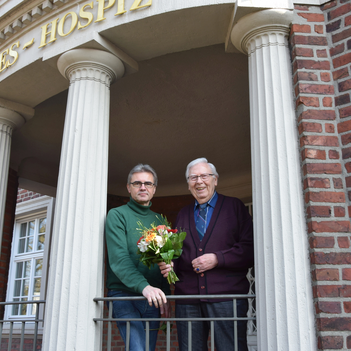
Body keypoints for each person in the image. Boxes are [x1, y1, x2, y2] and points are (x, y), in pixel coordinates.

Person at [159, 157, 254, 351]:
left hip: (228, 298)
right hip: (188, 300)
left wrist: (218, 258)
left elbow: (249, 248)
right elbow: (178, 254)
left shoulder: (234, 207)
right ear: (188, 185)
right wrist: (171, 266)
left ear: (215, 179)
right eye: (193, 178)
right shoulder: (183, 214)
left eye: (204, 176)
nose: (199, 181)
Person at [105, 164, 170, 351]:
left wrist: (165, 296)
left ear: (154, 189)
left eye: (148, 183)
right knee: (137, 349)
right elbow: (119, 259)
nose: (143, 187)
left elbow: (163, 262)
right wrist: (145, 287)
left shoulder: (160, 221)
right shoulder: (117, 215)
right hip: (124, 295)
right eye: (138, 183)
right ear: (128, 187)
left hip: (153, 297)